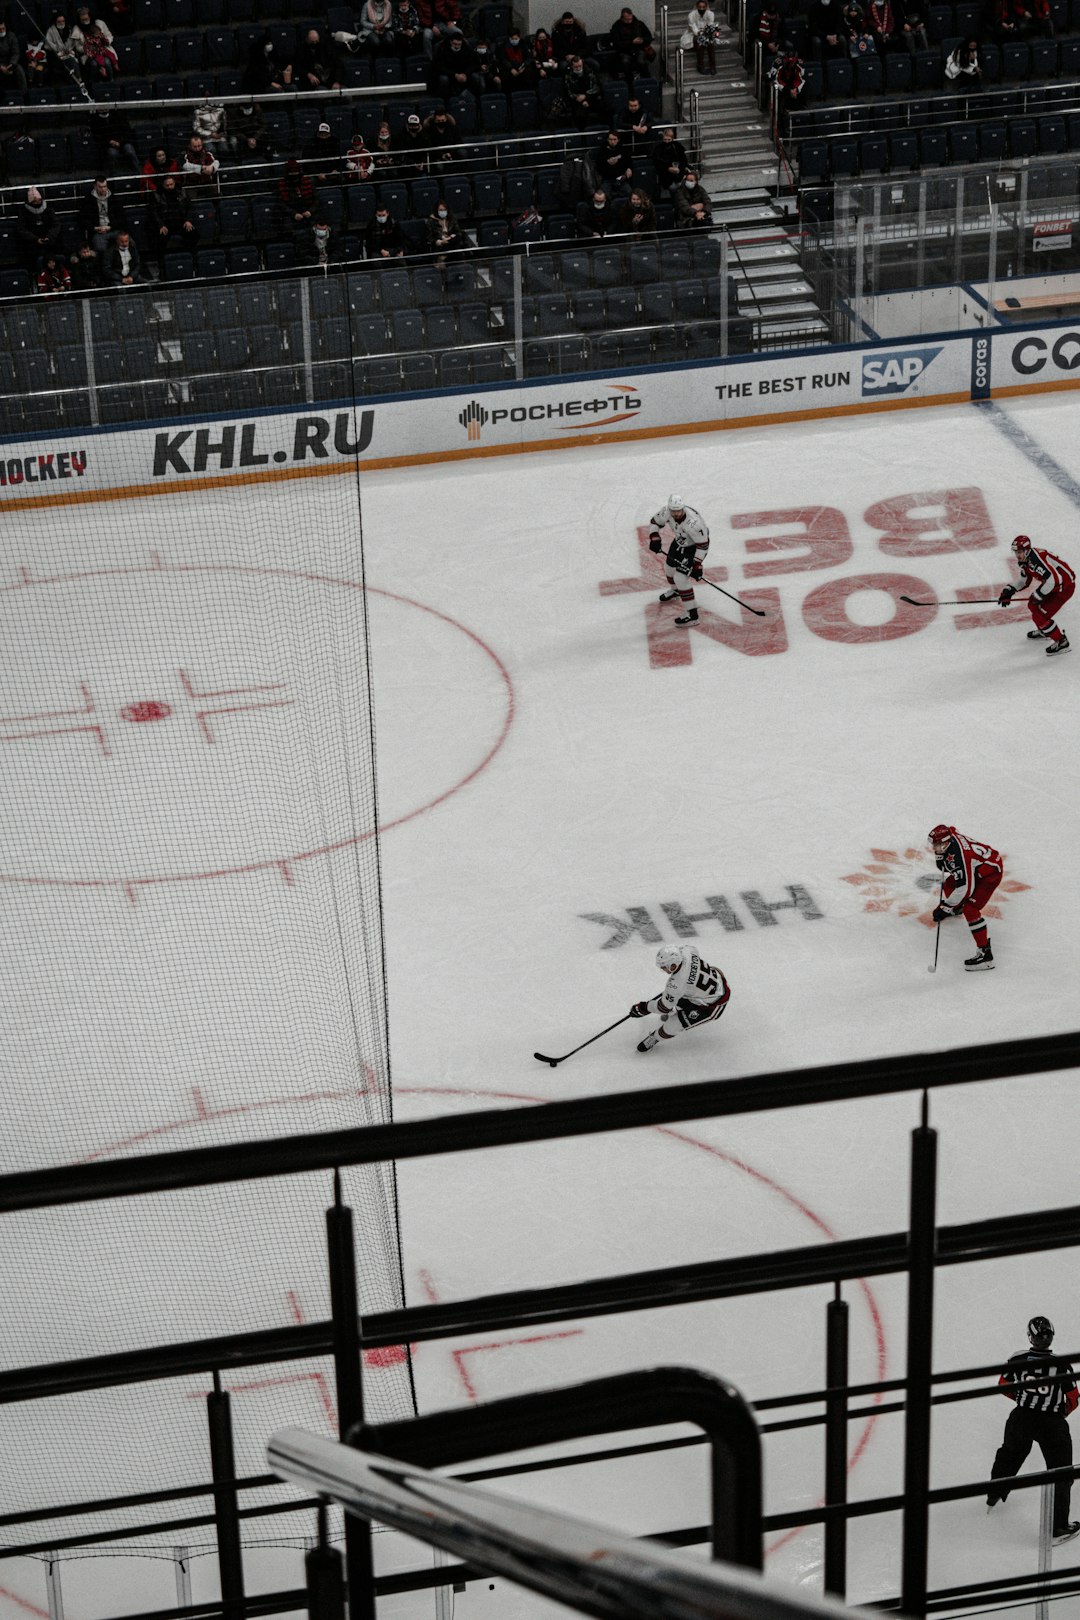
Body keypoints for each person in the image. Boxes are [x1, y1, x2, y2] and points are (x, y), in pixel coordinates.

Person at [987, 1317, 1080, 1544]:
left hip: (1021, 1418)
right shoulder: (1061, 1365)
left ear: (1030, 1337)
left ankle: (994, 1496)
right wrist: (1058, 1413)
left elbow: (1003, 1384)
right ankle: (1058, 1528)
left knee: (1009, 1454)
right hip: (1052, 1424)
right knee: (1061, 1472)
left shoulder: (1017, 1359)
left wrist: (1023, 1400)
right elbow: (1073, 1398)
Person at [630, 944, 731, 1053]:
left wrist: (643, 1008)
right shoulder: (687, 952)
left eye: (664, 966)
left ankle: (655, 1038)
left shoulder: (676, 984)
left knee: (673, 1025)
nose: (663, 969)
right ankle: (676, 1006)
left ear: (673, 965)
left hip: (711, 1005)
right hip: (713, 982)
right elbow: (693, 949)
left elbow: (662, 1008)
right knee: (675, 998)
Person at [928, 824, 1003, 972]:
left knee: (970, 908)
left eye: (937, 845)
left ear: (946, 843)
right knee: (949, 885)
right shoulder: (951, 837)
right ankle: (957, 907)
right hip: (979, 867)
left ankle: (985, 955)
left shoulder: (959, 857)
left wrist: (946, 907)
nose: (933, 848)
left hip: (990, 874)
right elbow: (953, 828)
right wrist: (940, 857)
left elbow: (965, 889)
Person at [999, 534, 1074, 655]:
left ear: (1027, 550)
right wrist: (1009, 590)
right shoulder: (1026, 560)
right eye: (1016, 552)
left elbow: (1054, 579)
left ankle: (1062, 642)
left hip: (1064, 588)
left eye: (1019, 552)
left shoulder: (1035, 560)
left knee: (1039, 616)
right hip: (1054, 586)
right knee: (1033, 605)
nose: (1017, 555)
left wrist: (1039, 595)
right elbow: (1024, 580)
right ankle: (1045, 631)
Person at [648, 496, 711, 624]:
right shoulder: (667, 511)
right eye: (673, 511)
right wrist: (654, 537)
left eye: (679, 510)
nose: (676, 513)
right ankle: (676, 591)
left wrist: (697, 564)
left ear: (683, 508)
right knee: (669, 568)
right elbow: (654, 522)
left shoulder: (694, 523)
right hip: (679, 542)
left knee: (681, 578)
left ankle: (692, 615)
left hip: (694, 547)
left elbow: (703, 546)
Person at [150, 174, 198, 271]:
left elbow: (190, 207)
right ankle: (163, 265)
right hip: (166, 225)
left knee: (193, 234)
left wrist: (188, 220)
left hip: (181, 223)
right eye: (167, 185)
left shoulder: (182, 192)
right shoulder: (156, 195)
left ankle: (191, 261)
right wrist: (161, 225)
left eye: (171, 184)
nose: (169, 187)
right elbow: (153, 212)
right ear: (163, 185)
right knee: (160, 238)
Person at [15, 187, 62, 271]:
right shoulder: (23, 211)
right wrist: (35, 239)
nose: (37, 203)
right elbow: (21, 229)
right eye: (34, 201)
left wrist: (50, 236)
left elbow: (56, 224)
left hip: (49, 239)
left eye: (39, 200)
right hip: (32, 242)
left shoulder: (48, 208)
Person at [80, 175, 126, 254]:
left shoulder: (114, 198)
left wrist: (110, 227)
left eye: (105, 186)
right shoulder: (88, 200)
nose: (103, 189)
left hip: (113, 229)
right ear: (95, 186)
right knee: (101, 249)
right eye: (100, 187)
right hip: (98, 232)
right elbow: (82, 219)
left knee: (129, 242)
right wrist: (94, 228)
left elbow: (122, 217)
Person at [609, 4, 654, 83]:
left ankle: (648, 81)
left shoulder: (639, 24)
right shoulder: (616, 26)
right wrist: (631, 42)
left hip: (639, 48)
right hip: (624, 51)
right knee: (625, 63)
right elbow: (617, 43)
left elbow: (649, 37)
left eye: (631, 19)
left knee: (641, 62)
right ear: (622, 18)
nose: (629, 21)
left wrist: (642, 40)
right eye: (627, 20)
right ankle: (630, 83)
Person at [71, 5, 117, 79]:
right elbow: (77, 47)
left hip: (103, 49)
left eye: (86, 18)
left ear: (89, 16)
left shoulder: (99, 23)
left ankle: (110, 81)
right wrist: (87, 48)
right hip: (89, 53)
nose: (85, 20)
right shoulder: (76, 28)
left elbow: (109, 35)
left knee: (107, 62)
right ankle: (94, 84)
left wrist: (106, 41)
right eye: (82, 19)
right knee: (94, 64)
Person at [560, 52, 603, 125]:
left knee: (604, 107)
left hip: (591, 97)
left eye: (580, 66)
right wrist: (581, 100)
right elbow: (569, 91)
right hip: (577, 100)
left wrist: (586, 96)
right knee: (579, 115)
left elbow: (596, 87)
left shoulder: (589, 72)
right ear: (572, 66)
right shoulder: (568, 75)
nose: (578, 68)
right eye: (576, 67)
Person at [594, 128, 634, 195]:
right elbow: (599, 167)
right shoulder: (602, 151)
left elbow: (629, 161)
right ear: (607, 140)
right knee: (603, 196)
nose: (612, 142)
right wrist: (608, 164)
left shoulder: (623, 149)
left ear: (618, 140)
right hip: (607, 180)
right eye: (610, 139)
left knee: (630, 194)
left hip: (621, 179)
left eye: (615, 139)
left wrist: (629, 169)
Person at [682, 0, 718, 72]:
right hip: (693, 34)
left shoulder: (710, 14)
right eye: (700, 7)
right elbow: (693, 27)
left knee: (711, 44)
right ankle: (700, 66)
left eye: (703, 7)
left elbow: (710, 25)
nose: (701, 9)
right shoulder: (691, 15)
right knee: (700, 43)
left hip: (706, 34)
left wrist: (706, 34)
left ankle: (713, 67)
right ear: (697, 7)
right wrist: (700, 34)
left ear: (706, 7)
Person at [652, 124, 689, 190]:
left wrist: (679, 169)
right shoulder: (658, 149)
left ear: (672, 139)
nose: (666, 142)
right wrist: (668, 169)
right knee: (675, 187)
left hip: (679, 173)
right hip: (666, 176)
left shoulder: (677, 146)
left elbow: (684, 160)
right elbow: (658, 164)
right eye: (665, 139)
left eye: (669, 140)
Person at [0, 17, 28, 92]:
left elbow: (16, 52)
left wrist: (12, 64)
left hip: (10, 62)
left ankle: (24, 94)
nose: (2, 31)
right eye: (0, 29)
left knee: (19, 70)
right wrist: (1, 67)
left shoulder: (11, 36)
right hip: (0, 64)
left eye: (3, 28)